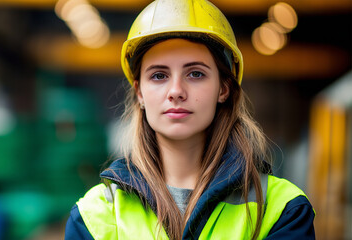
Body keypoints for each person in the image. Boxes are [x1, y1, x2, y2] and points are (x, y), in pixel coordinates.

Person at [64, 0, 315, 239]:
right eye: (159, 75)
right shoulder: (93, 215)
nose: (176, 91)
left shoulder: (283, 210)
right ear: (140, 93)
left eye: (195, 73)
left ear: (223, 89)